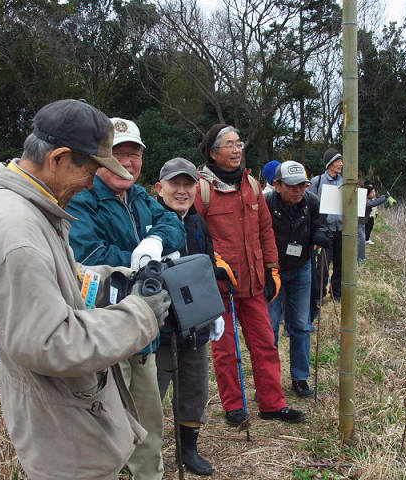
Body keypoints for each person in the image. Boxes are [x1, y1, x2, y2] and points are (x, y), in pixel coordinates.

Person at [0, 99, 172, 480]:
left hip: (73, 415)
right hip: (65, 437)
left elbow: (59, 276)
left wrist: (114, 278)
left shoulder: (33, 208)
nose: (93, 182)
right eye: (91, 170)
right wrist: (140, 315)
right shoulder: (16, 231)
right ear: (59, 158)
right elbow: (50, 341)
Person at [66, 118, 185, 480]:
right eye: (118, 153)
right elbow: (89, 255)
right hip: (105, 332)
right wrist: (143, 260)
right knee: (104, 430)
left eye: (133, 154)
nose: (128, 162)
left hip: (145, 332)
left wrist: (156, 243)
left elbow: (175, 225)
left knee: (149, 424)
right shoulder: (82, 201)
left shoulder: (139, 198)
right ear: (100, 158)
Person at [194, 123, 304, 426]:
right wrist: (212, 263)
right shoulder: (201, 189)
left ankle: (272, 403)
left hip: (255, 282)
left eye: (239, 143)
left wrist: (272, 269)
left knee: (265, 342)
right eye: (229, 144)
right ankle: (234, 406)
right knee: (225, 348)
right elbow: (194, 236)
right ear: (213, 152)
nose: (236, 149)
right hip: (220, 285)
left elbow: (265, 230)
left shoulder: (252, 185)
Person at [154, 157, 228, 476]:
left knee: (194, 390)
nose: (182, 191)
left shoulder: (198, 223)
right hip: (159, 330)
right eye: (175, 184)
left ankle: (188, 450)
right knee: (151, 394)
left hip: (195, 326)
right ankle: (145, 454)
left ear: (197, 188)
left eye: (188, 184)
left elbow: (208, 267)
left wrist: (213, 311)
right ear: (160, 188)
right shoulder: (150, 222)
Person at [264, 161, 331, 398]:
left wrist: (321, 236)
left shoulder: (312, 201)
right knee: (269, 327)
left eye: (302, 185)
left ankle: (300, 378)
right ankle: (268, 382)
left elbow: (319, 225)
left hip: (302, 268)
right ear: (278, 185)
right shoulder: (266, 203)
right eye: (292, 186)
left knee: (302, 325)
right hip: (272, 270)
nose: (298, 190)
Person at [308, 148, 343, 302]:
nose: (341, 164)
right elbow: (310, 204)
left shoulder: (345, 182)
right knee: (322, 265)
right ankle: (319, 294)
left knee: (340, 263)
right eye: (338, 161)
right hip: (325, 230)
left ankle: (336, 293)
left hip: (341, 229)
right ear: (330, 164)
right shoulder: (317, 181)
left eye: (341, 161)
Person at [358, 184, 388, 262]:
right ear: (368, 193)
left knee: (361, 238)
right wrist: (385, 197)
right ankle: (361, 257)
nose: (374, 193)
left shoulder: (366, 199)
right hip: (357, 222)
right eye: (372, 192)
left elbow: (374, 201)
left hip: (361, 222)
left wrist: (383, 197)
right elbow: (373, 203)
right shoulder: (364, 200)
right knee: (361, 239)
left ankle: (360, 256)